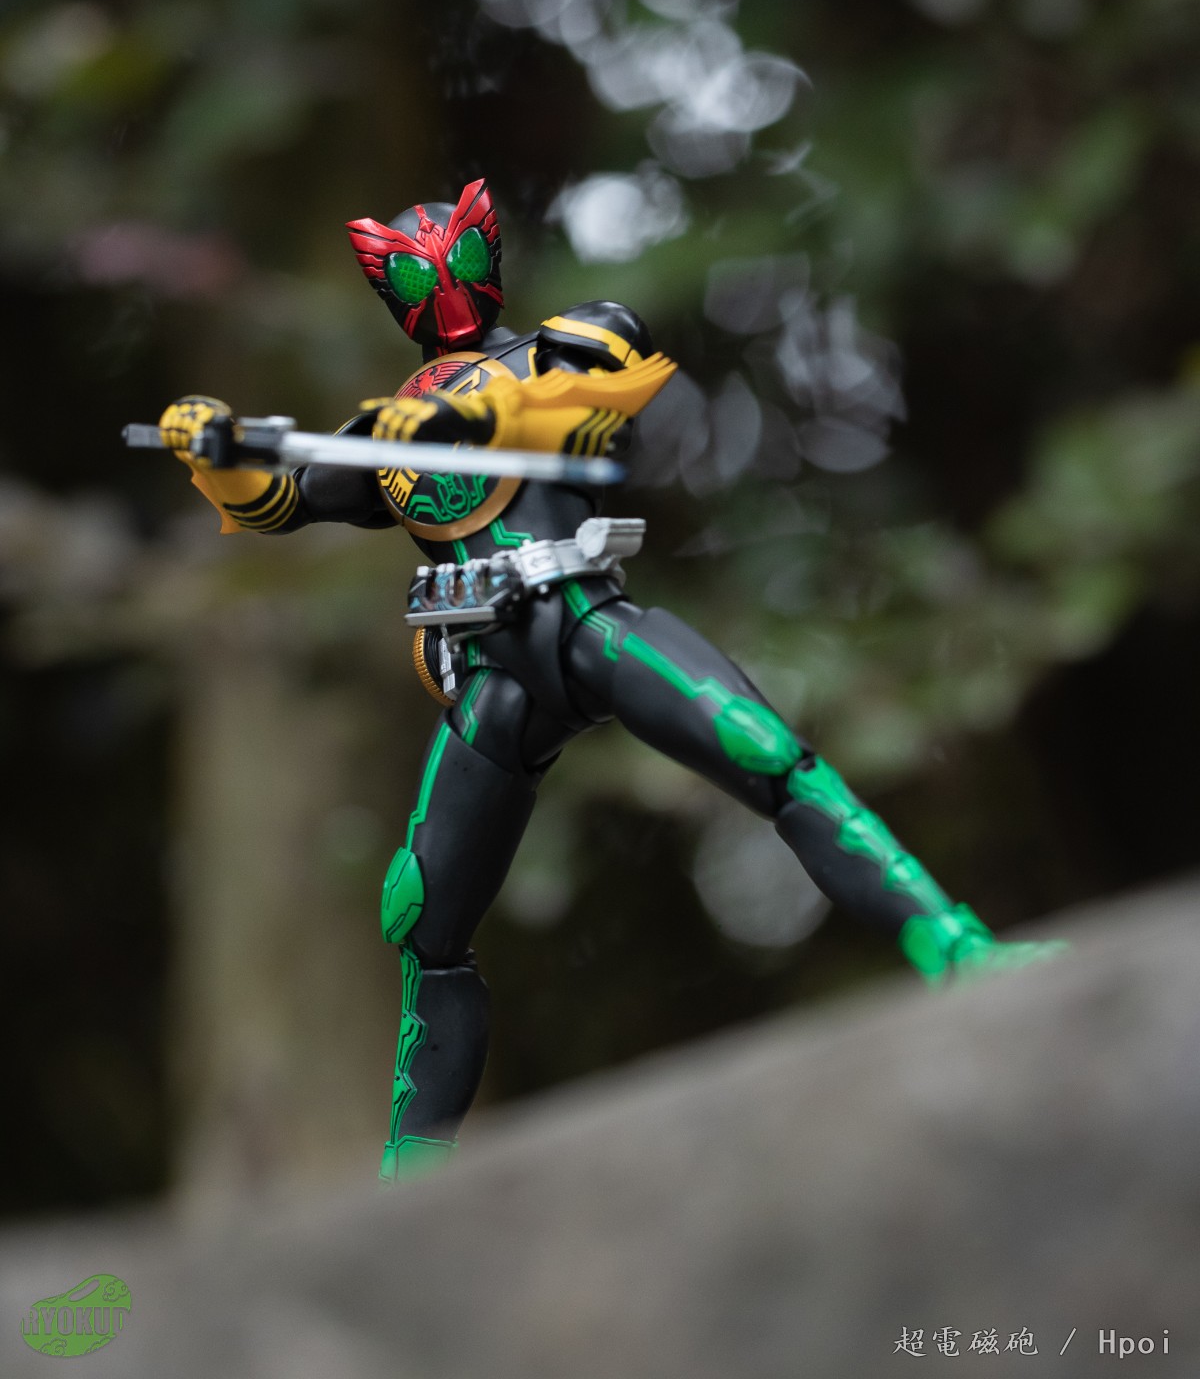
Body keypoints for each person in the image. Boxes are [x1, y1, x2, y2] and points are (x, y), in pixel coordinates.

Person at [159, 177, 1062, 1180]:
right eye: (418, 276)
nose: (445, 290)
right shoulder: (383, 433)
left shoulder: (544, 354)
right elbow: (284, 498)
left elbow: (606, 368)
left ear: (489, 260)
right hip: (493, 674)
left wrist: (475, 413)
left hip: (580, 617)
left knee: (760, 749)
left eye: (461, 261)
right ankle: (412, 1172)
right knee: (423, 918)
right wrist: (216, 449)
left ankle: (955, 948)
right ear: (389, 291)